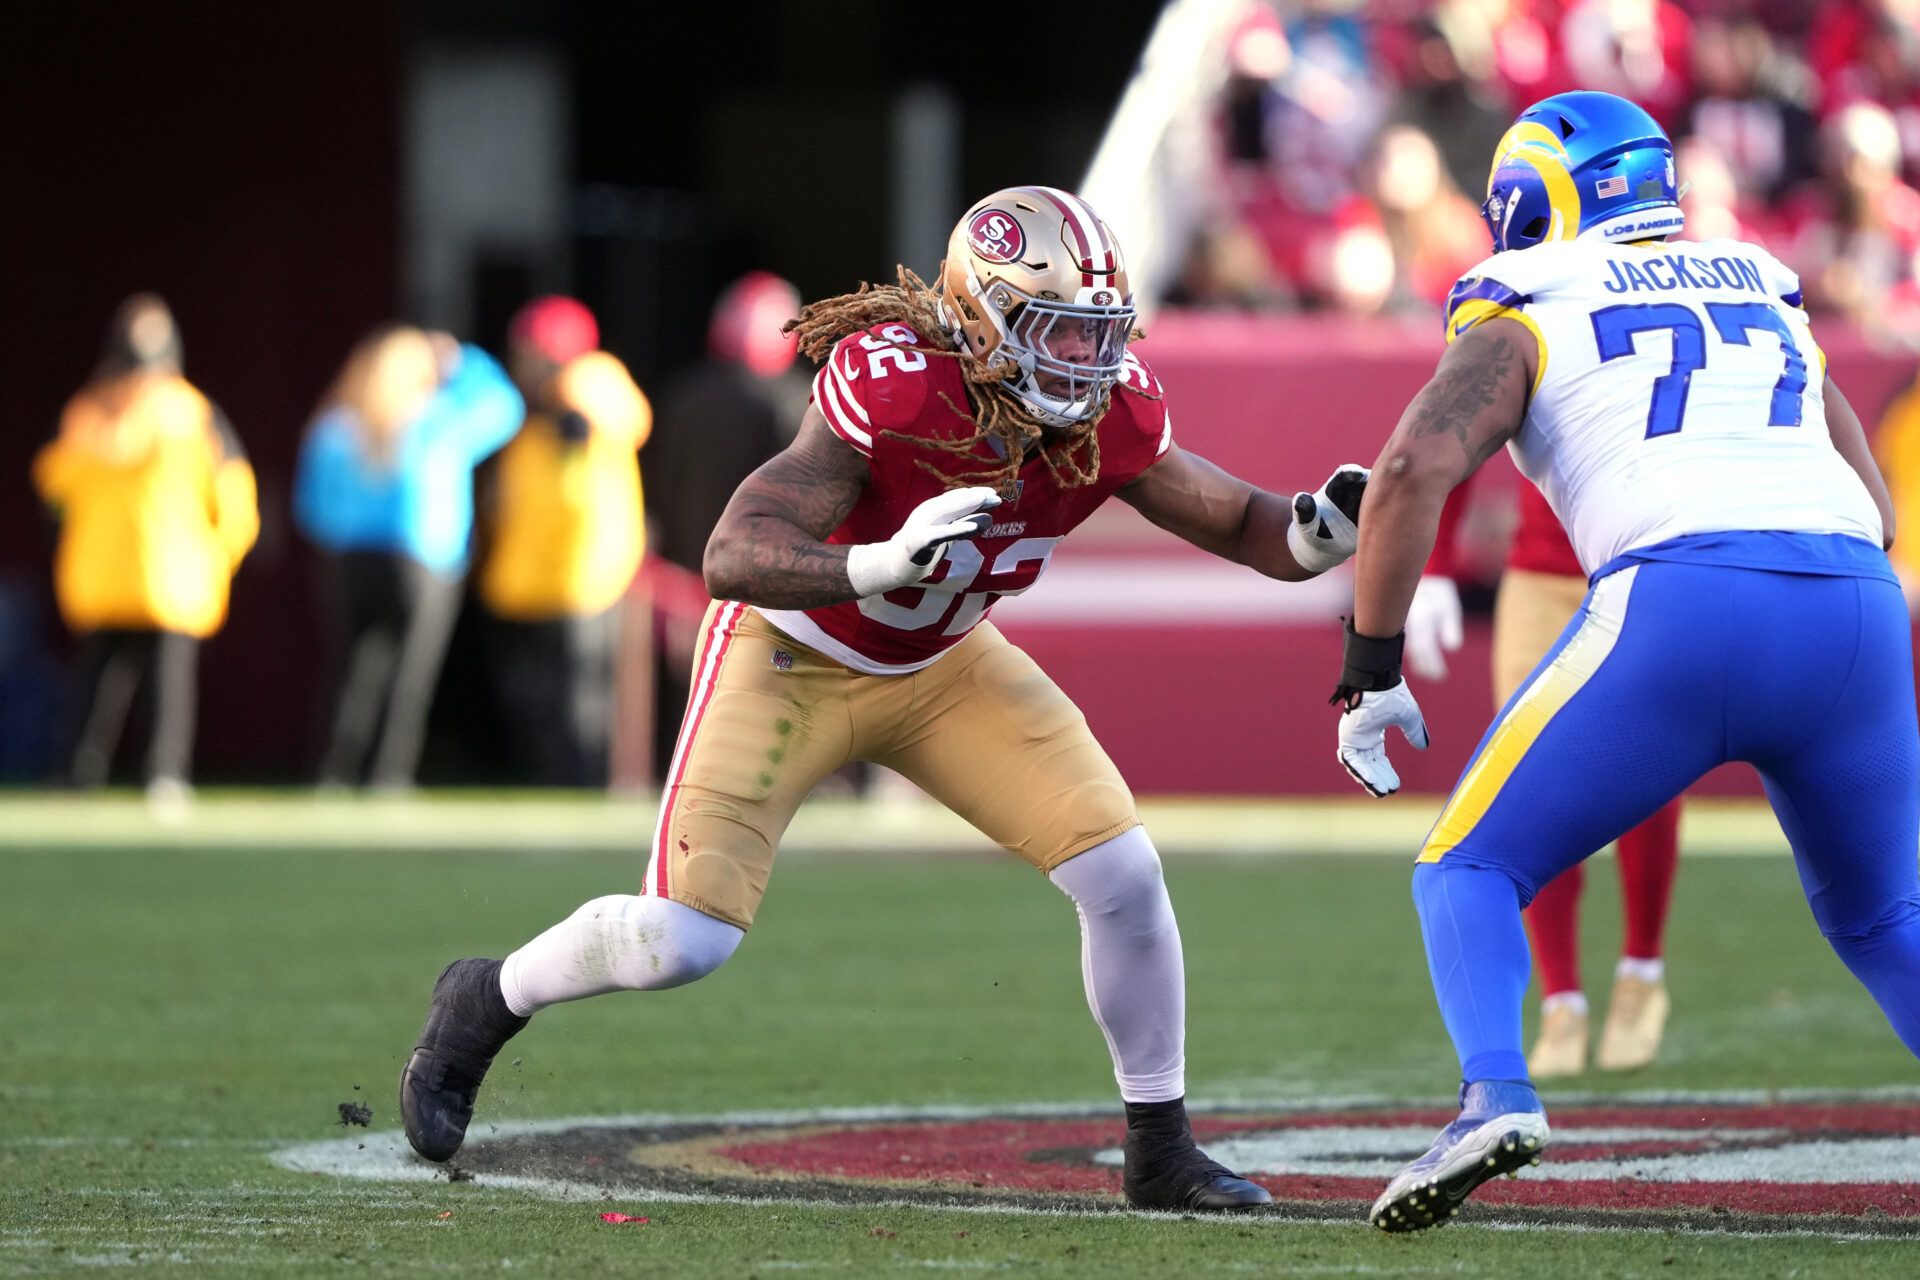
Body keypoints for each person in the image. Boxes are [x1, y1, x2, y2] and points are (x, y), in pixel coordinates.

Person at [398, 184, 1370, 1212]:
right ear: (983, 316)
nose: (1087, 365)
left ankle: (1161, 1146)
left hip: (943, 665)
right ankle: (485, 996)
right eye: (1058, 333)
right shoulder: (901, 387)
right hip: (794, 654)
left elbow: (1241, 522)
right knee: (683, 942)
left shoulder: (1106, 411)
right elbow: (734, 552)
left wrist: (1320, 530)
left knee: (1124, 871)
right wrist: (873, 561)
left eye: (1100, 336)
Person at [1330, 91, 1920, 1232]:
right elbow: (1853, 457)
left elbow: (1410, 470)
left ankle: (1495, 1091)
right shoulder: (1753, 275)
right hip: (1854, 602)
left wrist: (1372, 658)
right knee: (1888, 917)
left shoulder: (1524, 294)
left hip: (1686, 599)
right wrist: (1851, 549)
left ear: (1537, 201)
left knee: (1466, 868)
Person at [1407, 488, 1680, 1080]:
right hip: (1539, 572)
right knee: (1534, 781)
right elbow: (1457, 423)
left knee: (1649, 763)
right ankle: (1562, 1001)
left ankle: (1641, 970)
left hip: (1644, 560)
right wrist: (1434, 566)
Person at [33, 294, 258, 808]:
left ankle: (81, 774)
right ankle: (158, 776)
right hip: (168, 575)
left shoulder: (88, 413)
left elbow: (52, 491)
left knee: (107, 683)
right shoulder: (190, 412)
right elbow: (235, 498)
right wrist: (220, 558)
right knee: (155, 686)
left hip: (116, 576)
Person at [293, 325, 522, 790]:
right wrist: (462, 360)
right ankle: (388, 775)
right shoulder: (439, 419)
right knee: (409, 675)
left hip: (349, 561)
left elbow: (310, 505)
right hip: (422, 563)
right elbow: (505, 406)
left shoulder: (336, 425)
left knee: (350, 670)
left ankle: (334, 772)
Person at [479, 297, 650, 787]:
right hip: (525, 581)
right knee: (532, 700)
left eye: (531, 353)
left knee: (583, 701)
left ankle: (584, 783)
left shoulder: (594, 384)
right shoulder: (521, 416)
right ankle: (548, 780)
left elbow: (620, 412)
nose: (522, 364)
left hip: (584, 577)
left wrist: (569, 392)